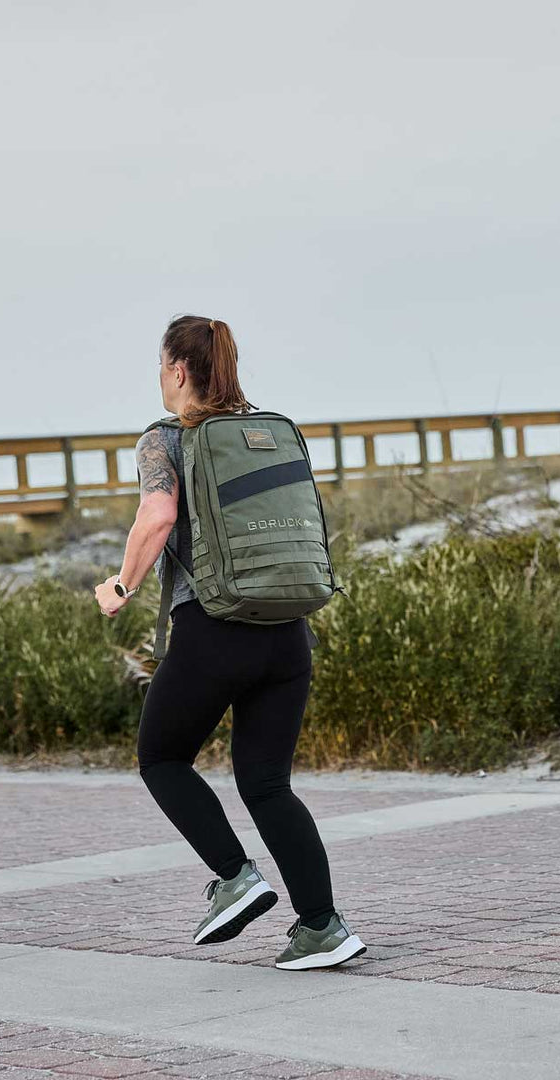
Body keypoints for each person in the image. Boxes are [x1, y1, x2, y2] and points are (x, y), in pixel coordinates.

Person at [93, 314, 366, 971]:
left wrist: (121, 587)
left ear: (179, 371)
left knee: (162, 757)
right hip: (287, 636)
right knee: (268, 783)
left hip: (214, 630)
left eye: (163, 368)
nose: (161, 380)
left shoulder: (166, 439)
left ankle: (235, 879)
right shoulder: (268, 432)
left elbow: (158, 515)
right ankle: (323, 927)